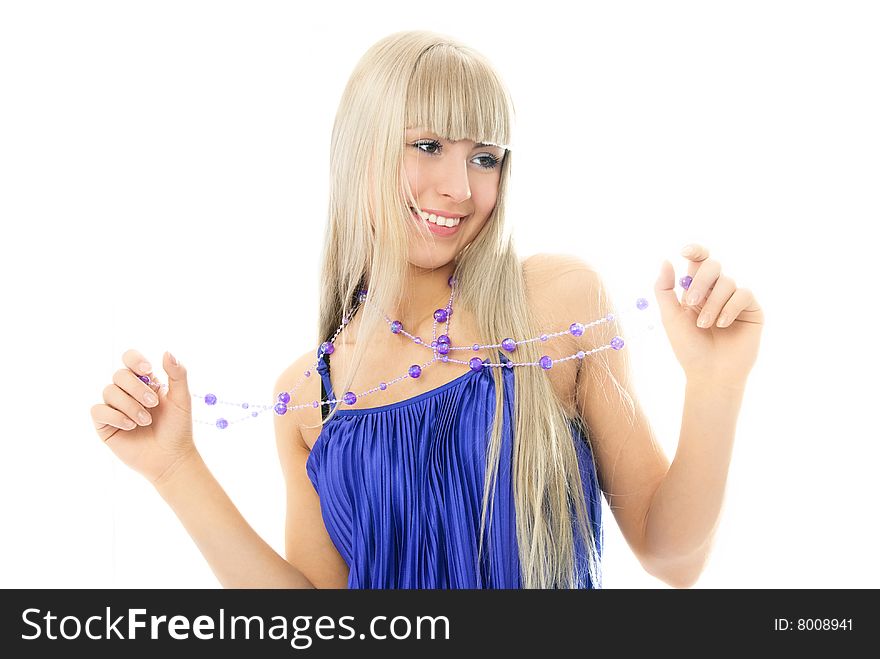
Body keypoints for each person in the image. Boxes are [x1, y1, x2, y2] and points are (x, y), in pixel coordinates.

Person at [90, 30, 764, 589]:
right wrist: (174, 469)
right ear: (363, 150)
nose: (459, 188)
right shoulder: (308, 396)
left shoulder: (553, 304)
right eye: (428, 145)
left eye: (485, 157)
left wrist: (715, 385)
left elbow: (672, 556)